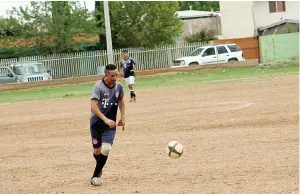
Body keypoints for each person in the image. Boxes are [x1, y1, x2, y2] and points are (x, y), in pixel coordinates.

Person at [89, 64, 125, 186]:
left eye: (116, 75)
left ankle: (95, 176)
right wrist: (104, 119)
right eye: (112, 75)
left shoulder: (119, 87)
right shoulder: (98, 87)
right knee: (97, 151)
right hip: (96, 122)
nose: (115, 77)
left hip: (110, 124)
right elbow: (93, 107)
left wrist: (123, 117)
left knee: (107, 148)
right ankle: (100, 167)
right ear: (106, 75)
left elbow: (121, 100)